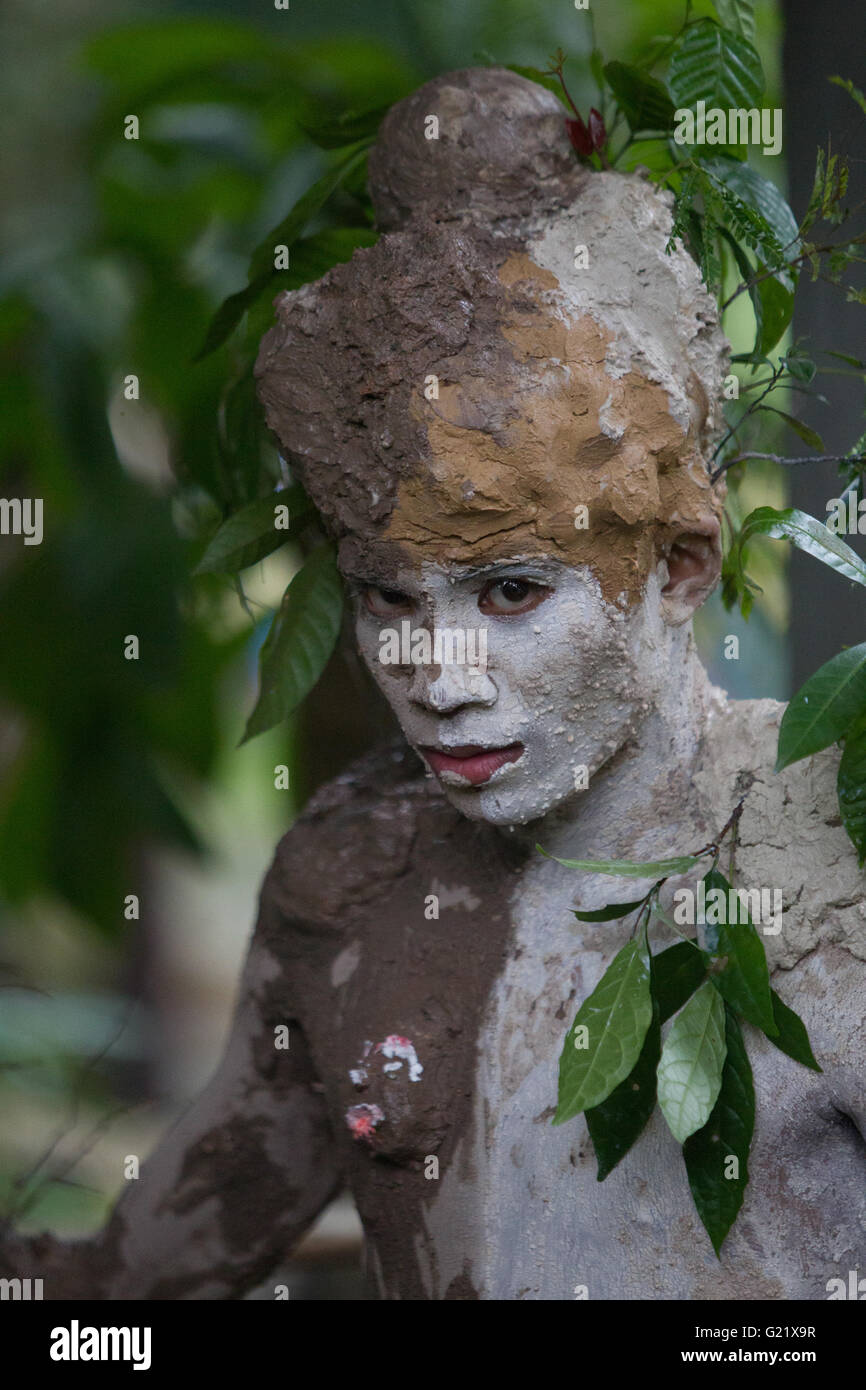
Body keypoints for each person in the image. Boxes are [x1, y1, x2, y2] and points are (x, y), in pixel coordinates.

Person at [4, 67, 863, 1301]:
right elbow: (141, 1282)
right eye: (386, 598)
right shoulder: (348, 881)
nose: (432, 679)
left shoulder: (828, 855)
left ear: (677, 565)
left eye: (510, 593)